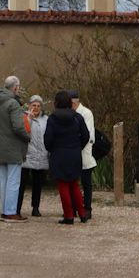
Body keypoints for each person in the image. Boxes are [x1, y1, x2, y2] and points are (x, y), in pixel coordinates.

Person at [43, 90, 90, 224]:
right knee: (74, 184)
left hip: (58, 154)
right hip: (74, 154)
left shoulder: (52, 118)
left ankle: (69, 215)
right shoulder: (77, 117)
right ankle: (82, 213)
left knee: (63, 185)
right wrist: (77, 146)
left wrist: (52, 149)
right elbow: (86, 136)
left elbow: (48, 139)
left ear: (56, 103)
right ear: (70, 102)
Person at [0, 75, 30, 222]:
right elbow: (18, 127)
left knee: (4, 181)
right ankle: (11, 212)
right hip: (13, 147)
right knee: (13, 181)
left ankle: (4, 210)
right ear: (16, 87)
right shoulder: (13, 104)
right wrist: (28, 137)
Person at [17, 94, 49, 217]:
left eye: (38, 105)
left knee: (38, 183)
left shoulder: (46, 119)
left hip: (41, 154)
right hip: (27, 154)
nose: (36, 108)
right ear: (29, 105)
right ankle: (17, 208)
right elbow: (21, 132)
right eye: (33, 105)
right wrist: (29, 119)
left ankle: (35, 207)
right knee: (22, 183)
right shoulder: (24, 117)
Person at [71, 90, 97, 221]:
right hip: (73, 153)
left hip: (84, 152)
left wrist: (76, 146)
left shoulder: (86, 113)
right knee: (73, 182)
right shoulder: (70, 114)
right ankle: (74, 207)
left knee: (86, 183)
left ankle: (87, 208)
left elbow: (89, 135)